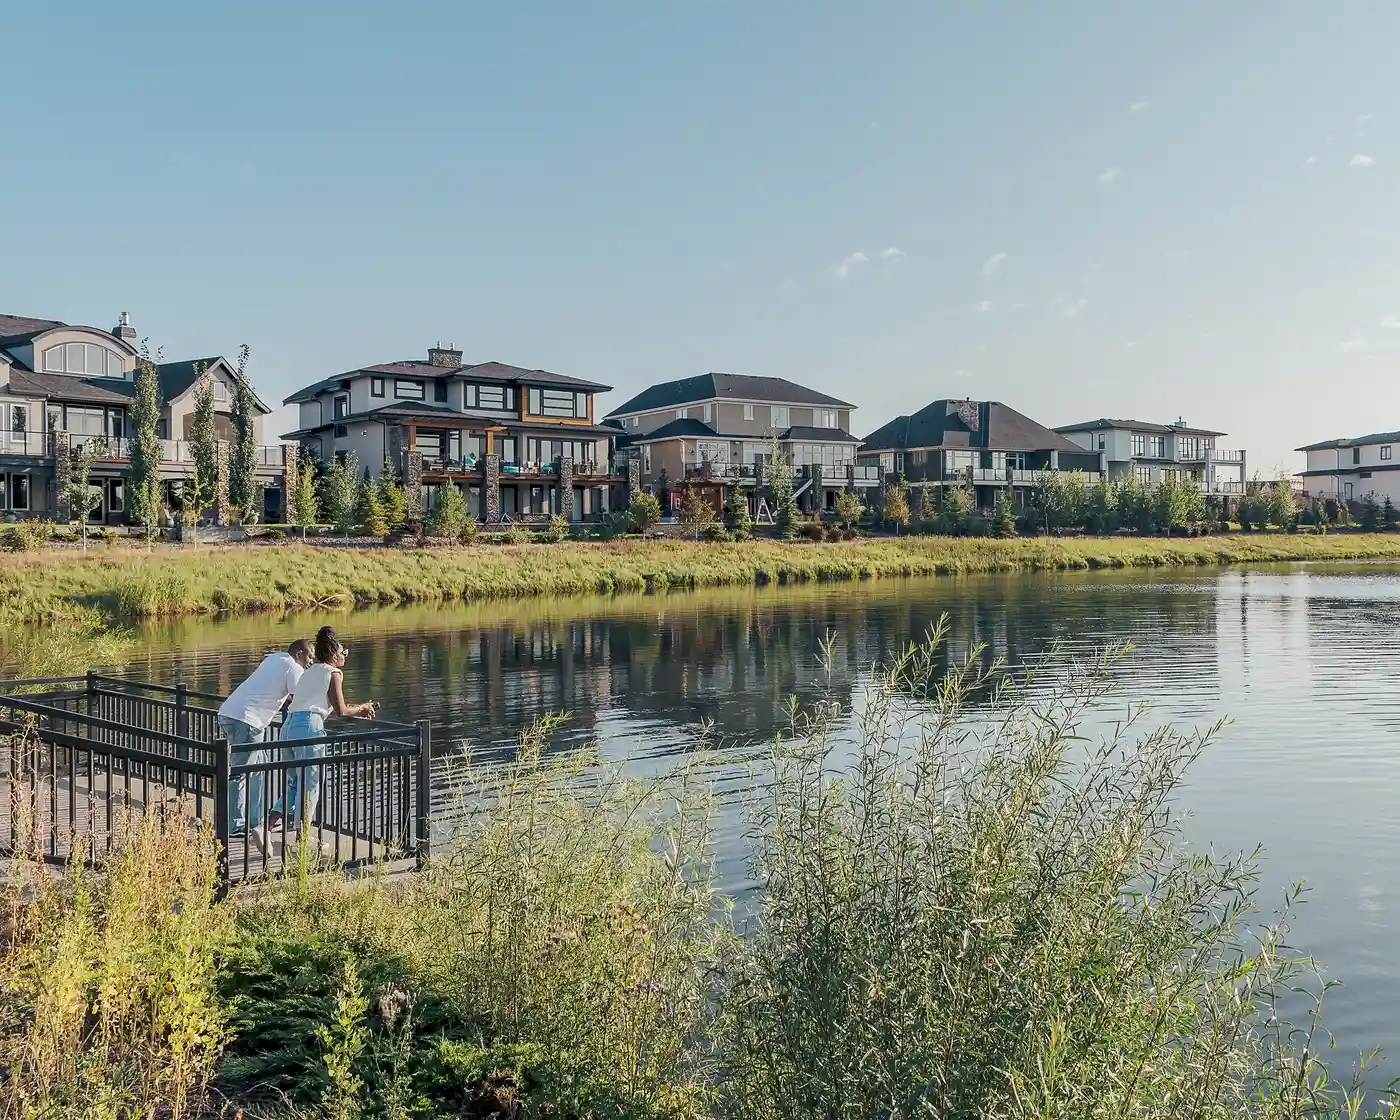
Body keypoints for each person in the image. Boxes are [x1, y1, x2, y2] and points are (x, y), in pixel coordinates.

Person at [266, 628, 377, 848]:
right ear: (334, 656)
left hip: (289, 727)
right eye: (344, 652)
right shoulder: (333, 673)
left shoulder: (311, 671)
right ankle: (303, 837)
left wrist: (359, 709)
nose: (345, 655)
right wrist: (363, 708)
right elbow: (343, 711)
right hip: (309, 729)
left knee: (295, 782)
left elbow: (329, 709)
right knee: (312, 783)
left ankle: (266, 826)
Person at [217, 638, 314, 838]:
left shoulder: (275, 659)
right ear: (299, 654)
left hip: (229, 714)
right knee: (241, 772)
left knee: (258, 768)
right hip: (247, 721)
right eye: (310, 656)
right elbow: (300, 699)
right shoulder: (293, 668)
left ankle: (255, 823)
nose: (311, 661)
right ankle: (234, 826)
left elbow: (277, 689)